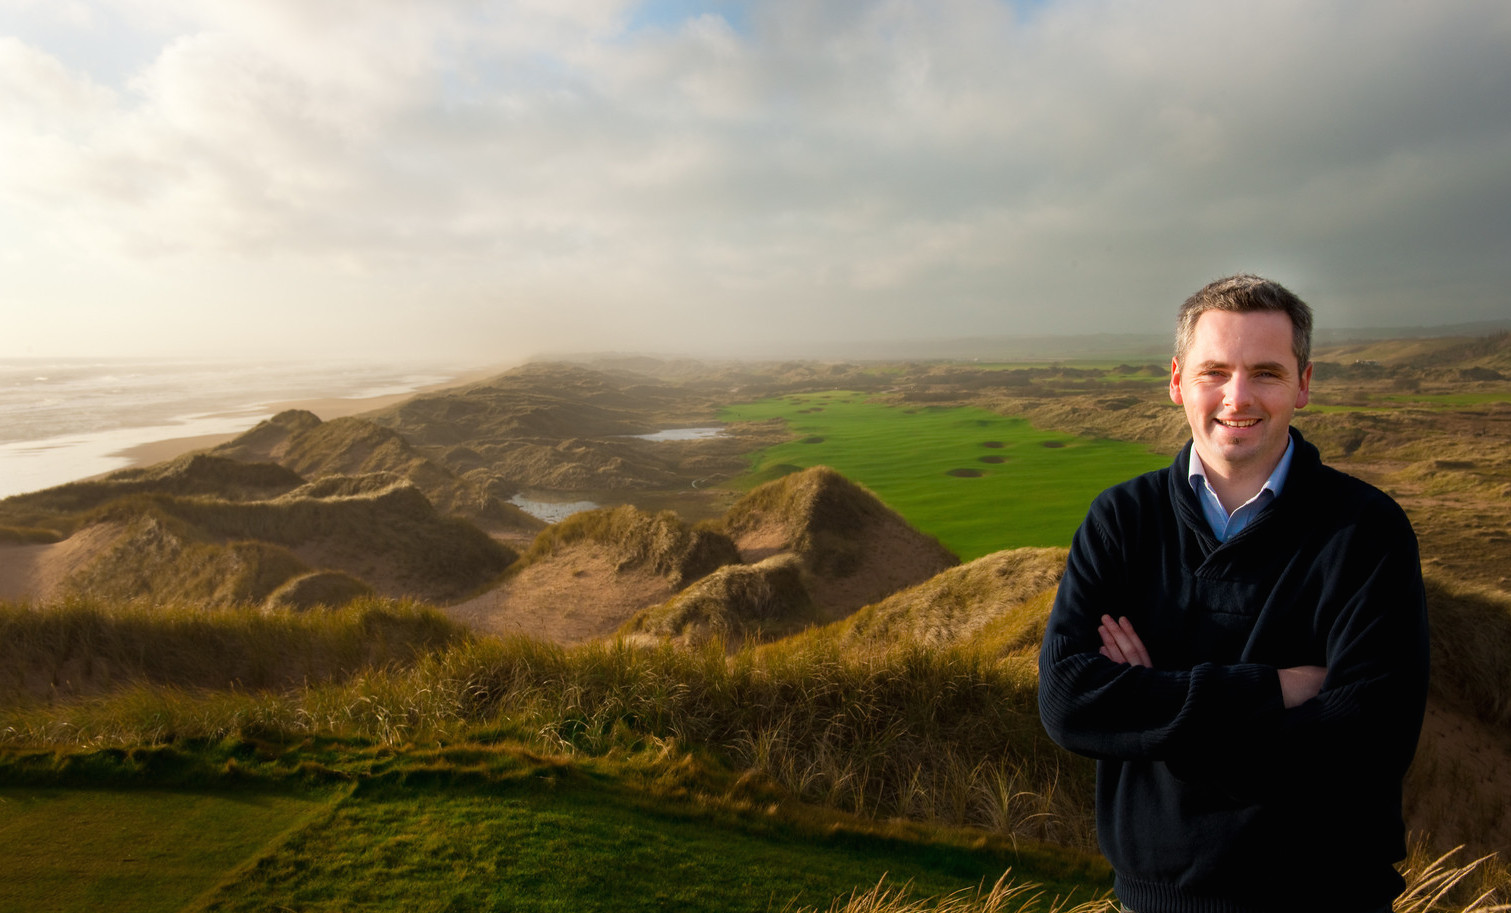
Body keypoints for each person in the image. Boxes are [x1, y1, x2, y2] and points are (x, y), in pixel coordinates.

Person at [1037, 274, 1430, 913]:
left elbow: (1369, 742)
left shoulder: (1366, 532)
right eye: (1213, 371)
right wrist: (1270, 690)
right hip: (1153, 903)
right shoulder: (1122, 520)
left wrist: (1156, 711)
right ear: (1176, 381)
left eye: (1266, 373)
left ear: (1303, 384)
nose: (1237, 397)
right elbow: (1067, 701)